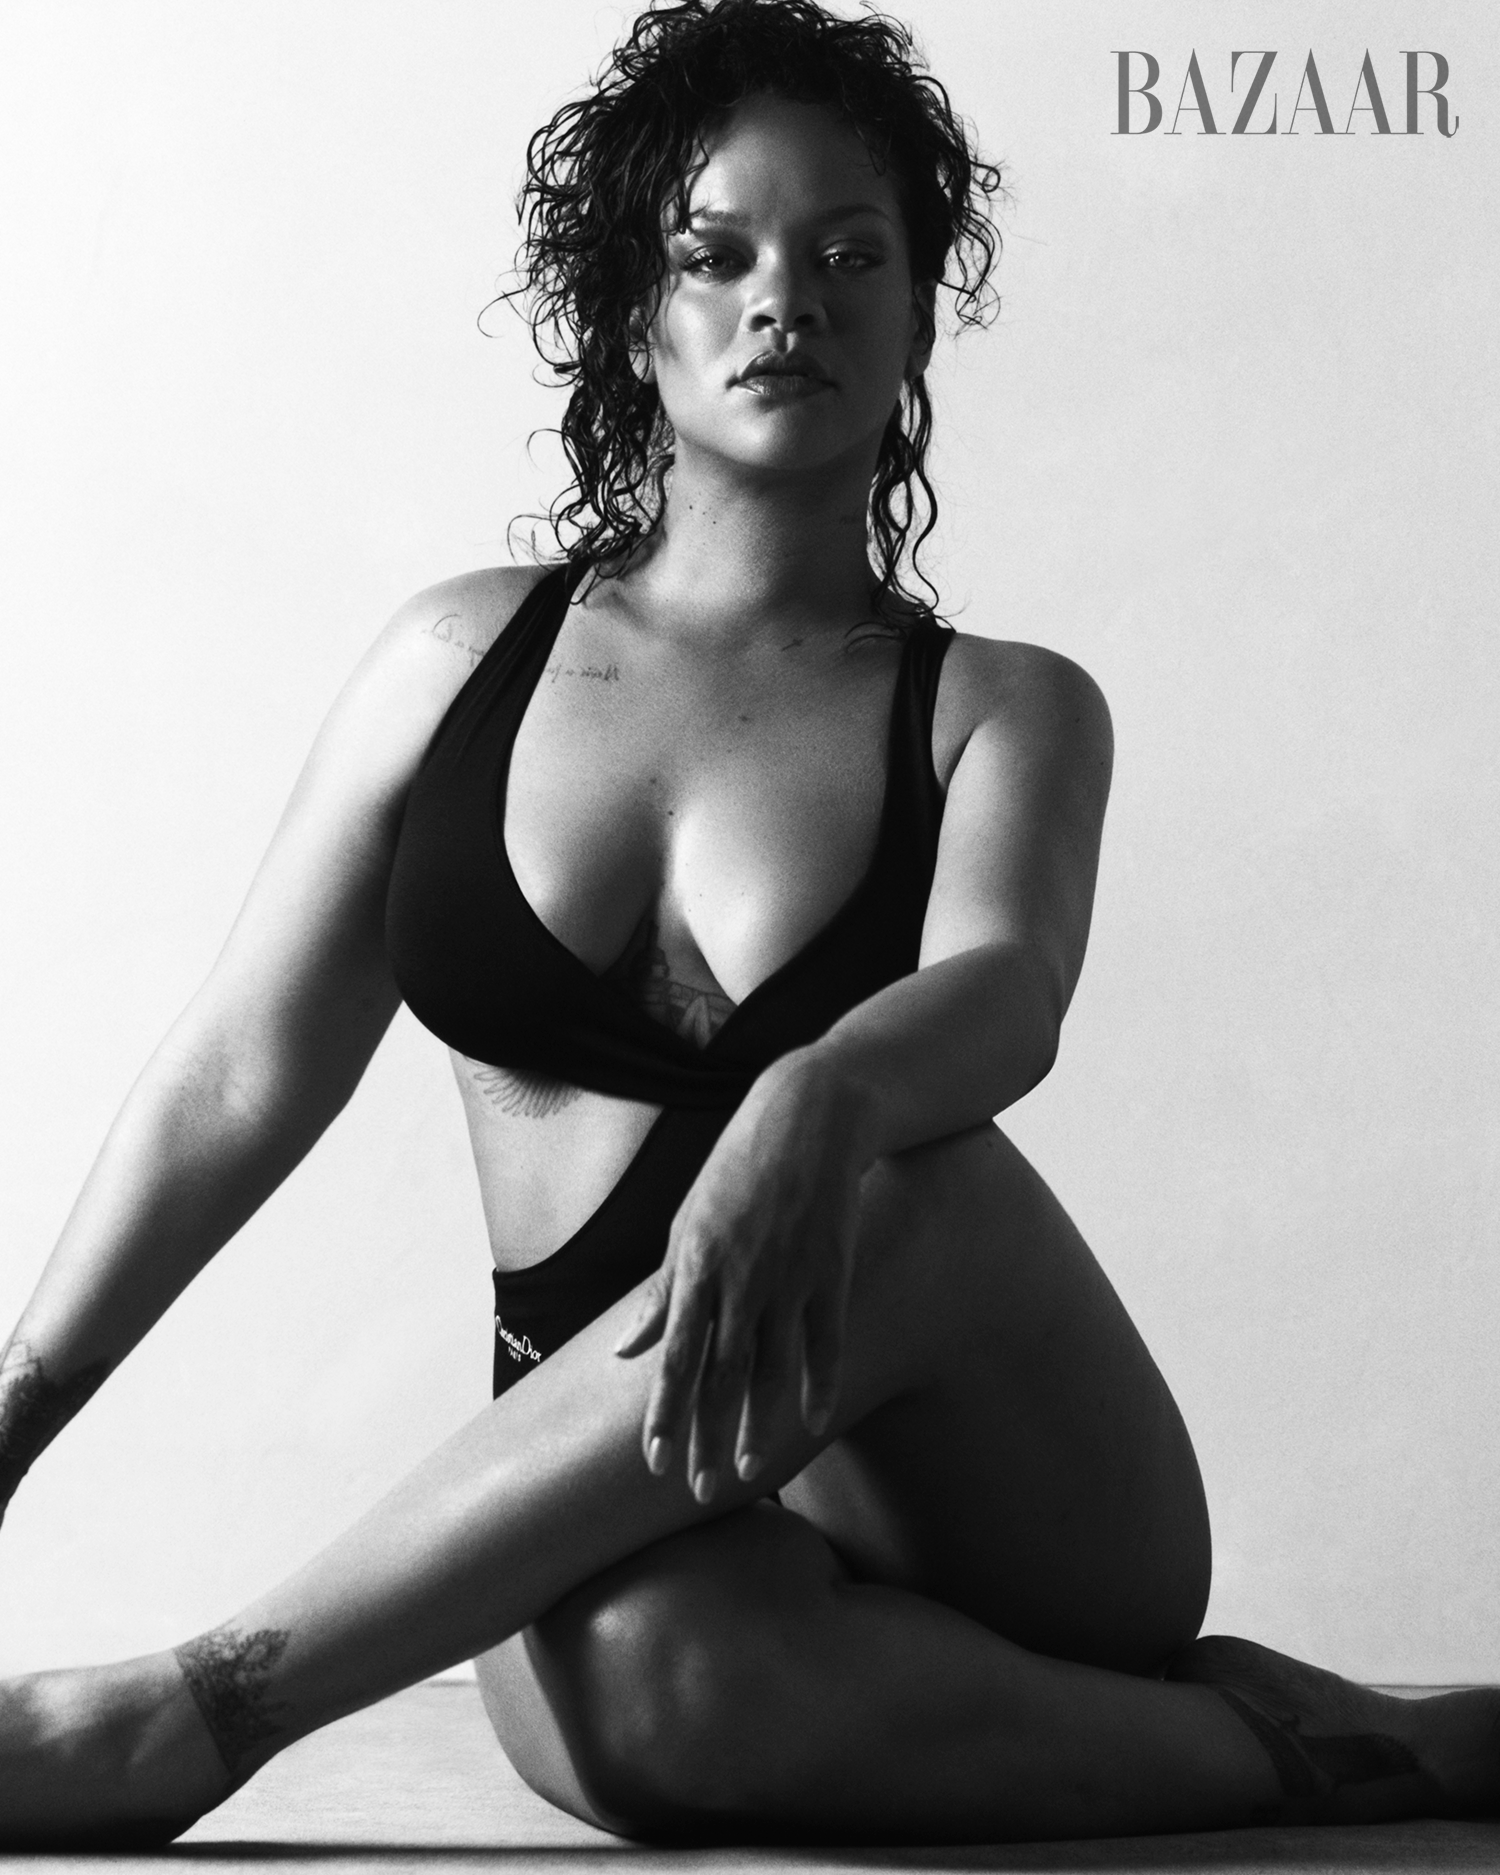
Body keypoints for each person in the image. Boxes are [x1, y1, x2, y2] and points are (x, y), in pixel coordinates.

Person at [0, 0, 1494, 1849]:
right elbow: (239, 1072)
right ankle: (1333, 1749)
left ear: (921, 314)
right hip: (605, 1454)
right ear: (638, 314)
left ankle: (195, 1710)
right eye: (717, 256)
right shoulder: (456, 661)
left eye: (851, 255)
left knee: (899, 1174)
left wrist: (819, 1095)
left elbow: (1009, 986)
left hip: (989, 1488)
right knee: (653, 1697)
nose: (786, 300)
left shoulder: (1003, 707)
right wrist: (16, 1411)